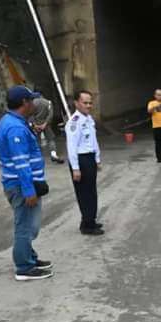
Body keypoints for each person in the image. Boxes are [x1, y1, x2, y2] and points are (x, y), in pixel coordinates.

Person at [0, 86, 53, 281]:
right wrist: (29, 191)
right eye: (31, 101)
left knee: (30, 225)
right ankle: (24, 267)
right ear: (24, 103)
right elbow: (21, 162)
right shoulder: (15, 128)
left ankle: (29, 257)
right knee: (26, 227)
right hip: (21, 186)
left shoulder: (15, 122)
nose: (34, 104)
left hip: (23, 184)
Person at [66, 90, 104, 236]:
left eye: (90, 102)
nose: (88, 105)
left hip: (90, 158)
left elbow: (93, 142)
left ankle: (90, 220)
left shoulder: (89, 119)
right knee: (84, 193)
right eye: (85, 102)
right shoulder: (74, 122)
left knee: (92, 191)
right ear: (76, 103)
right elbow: (71, 147)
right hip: (80, 160)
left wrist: (97, 159)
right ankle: (87, 225)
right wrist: (75, 168)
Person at [29, 89, 65, 164]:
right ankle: (53, 154)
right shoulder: (48, 102)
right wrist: (45, 123)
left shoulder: (32, 103)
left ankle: (36, 156)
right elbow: (50, 115)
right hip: (46, 125)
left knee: (36, 141)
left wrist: (34, 124)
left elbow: (30, 114)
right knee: (51, 140)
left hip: (36, 125)